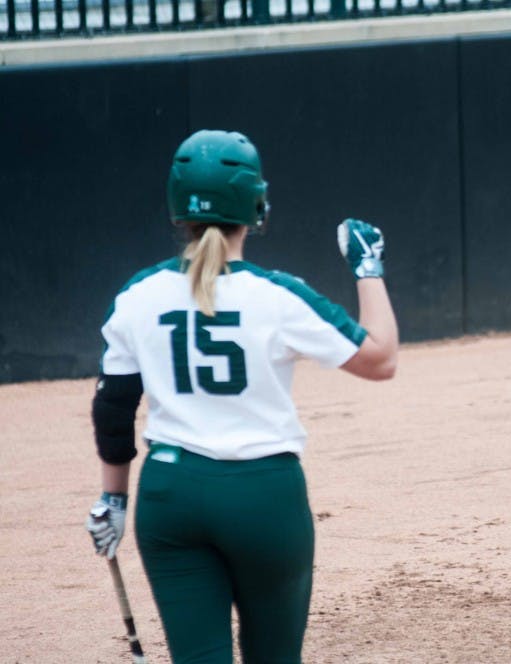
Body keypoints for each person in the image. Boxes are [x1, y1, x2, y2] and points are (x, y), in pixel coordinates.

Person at [84, 129, 398, 663]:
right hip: (263, 495)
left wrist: (113, 498)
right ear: (255, 207)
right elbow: (381, 358)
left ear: (176, 208)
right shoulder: (277, 294)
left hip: (170, 495)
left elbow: (113, 408)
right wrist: (368, 269)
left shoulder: (137, 295)